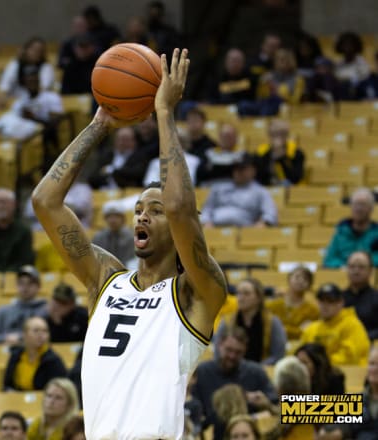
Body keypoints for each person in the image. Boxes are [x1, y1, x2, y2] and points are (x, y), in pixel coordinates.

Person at [32, 48, 227, 439]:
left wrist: (165, 113)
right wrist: (99, 124)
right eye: (138, 208)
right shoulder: (105, 280)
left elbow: (179, 207)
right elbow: (45, 201)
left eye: (153, 211)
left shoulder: (196, 292)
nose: (142, 215)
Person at [191, 326, 277, 436]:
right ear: (219, 345)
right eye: (229, 350)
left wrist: (265, 404)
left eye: (238, 352)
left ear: (245, 350)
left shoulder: (256, 372)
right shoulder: (202, 372)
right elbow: (193, 408)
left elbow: (275, 406)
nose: (232, 356)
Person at [215, 278, 286, 365]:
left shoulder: (273, 322)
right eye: (238, 293)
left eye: (246, 293)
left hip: (263, 371)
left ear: (259, 298)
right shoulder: (227, 321)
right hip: (231, 370)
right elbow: (217, 352)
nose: (240, 298)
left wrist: (254, 370)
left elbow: (278, 355)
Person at [299, 283, 370, 366]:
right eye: (322, 301)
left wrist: (319, 364)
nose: (325, 305)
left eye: (330, 301)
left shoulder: (352, 325)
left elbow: (349, 357)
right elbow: (301, 353)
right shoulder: (312, 329)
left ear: (340, 303)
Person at [200, 153, 278, 227]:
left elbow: (270, 214)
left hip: (245, 233)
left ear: (253, 170)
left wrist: (262, 225)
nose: (238, 172)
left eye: (242, 168)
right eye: (236, 168)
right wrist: (206, 222)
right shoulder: (218, 188)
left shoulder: (260, 191)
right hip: (215, 230)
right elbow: (207, 209)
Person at [0, 265, 46, 345]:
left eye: (30, 283)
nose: (25, 287)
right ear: (16, 285)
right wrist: (5, 339)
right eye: (21, 283)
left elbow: (47, 337)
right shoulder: (3, 311)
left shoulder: (45, 310)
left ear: (39, 286)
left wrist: (20, 338)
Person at [3, 316, 67, 391]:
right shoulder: (15, 356)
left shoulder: (53, 360)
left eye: (45, 331)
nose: (41, 335)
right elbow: (7, 384)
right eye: (36, 331)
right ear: (24, 334)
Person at [323, 187, 378, 268]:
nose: (359, 208)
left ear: (371, 208)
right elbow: (329, 260)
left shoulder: (376, 233)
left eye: (363, 205)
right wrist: (345, 266)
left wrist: (363, 264)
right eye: (356, 204)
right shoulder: (340, 233)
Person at [265, 266, 318, 340]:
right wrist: (296, 330)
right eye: (297, 277)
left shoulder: (313, 310)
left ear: (309, 285)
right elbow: (268, 329)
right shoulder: (272, 305)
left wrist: (280, 329)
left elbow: (306, 333)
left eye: (305, 279)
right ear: (289, 279)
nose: (301, 281)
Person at [253, 119, 305, 186]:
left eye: (283, 133)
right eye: (275, 134)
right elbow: (258, 176)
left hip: (290, 188)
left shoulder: (296, 153)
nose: (278, 137)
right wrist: (272, 156)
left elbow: (296, 178)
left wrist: (282, 157)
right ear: (269, 134)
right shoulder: (261, 152)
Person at [342, 251, 378, 339]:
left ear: (370, 271)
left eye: (361, 267)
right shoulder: (337, 298)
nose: (356, 271)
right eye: (352, 267)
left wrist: (360, 338)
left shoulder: (376, 298)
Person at [91, 201, 135, 266]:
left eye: (117, 216)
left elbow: (131, 261)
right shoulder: (99, 237)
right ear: (105, 219)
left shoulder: (130, 237)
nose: (113, 220)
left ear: (123, 219)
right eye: (110, 216)